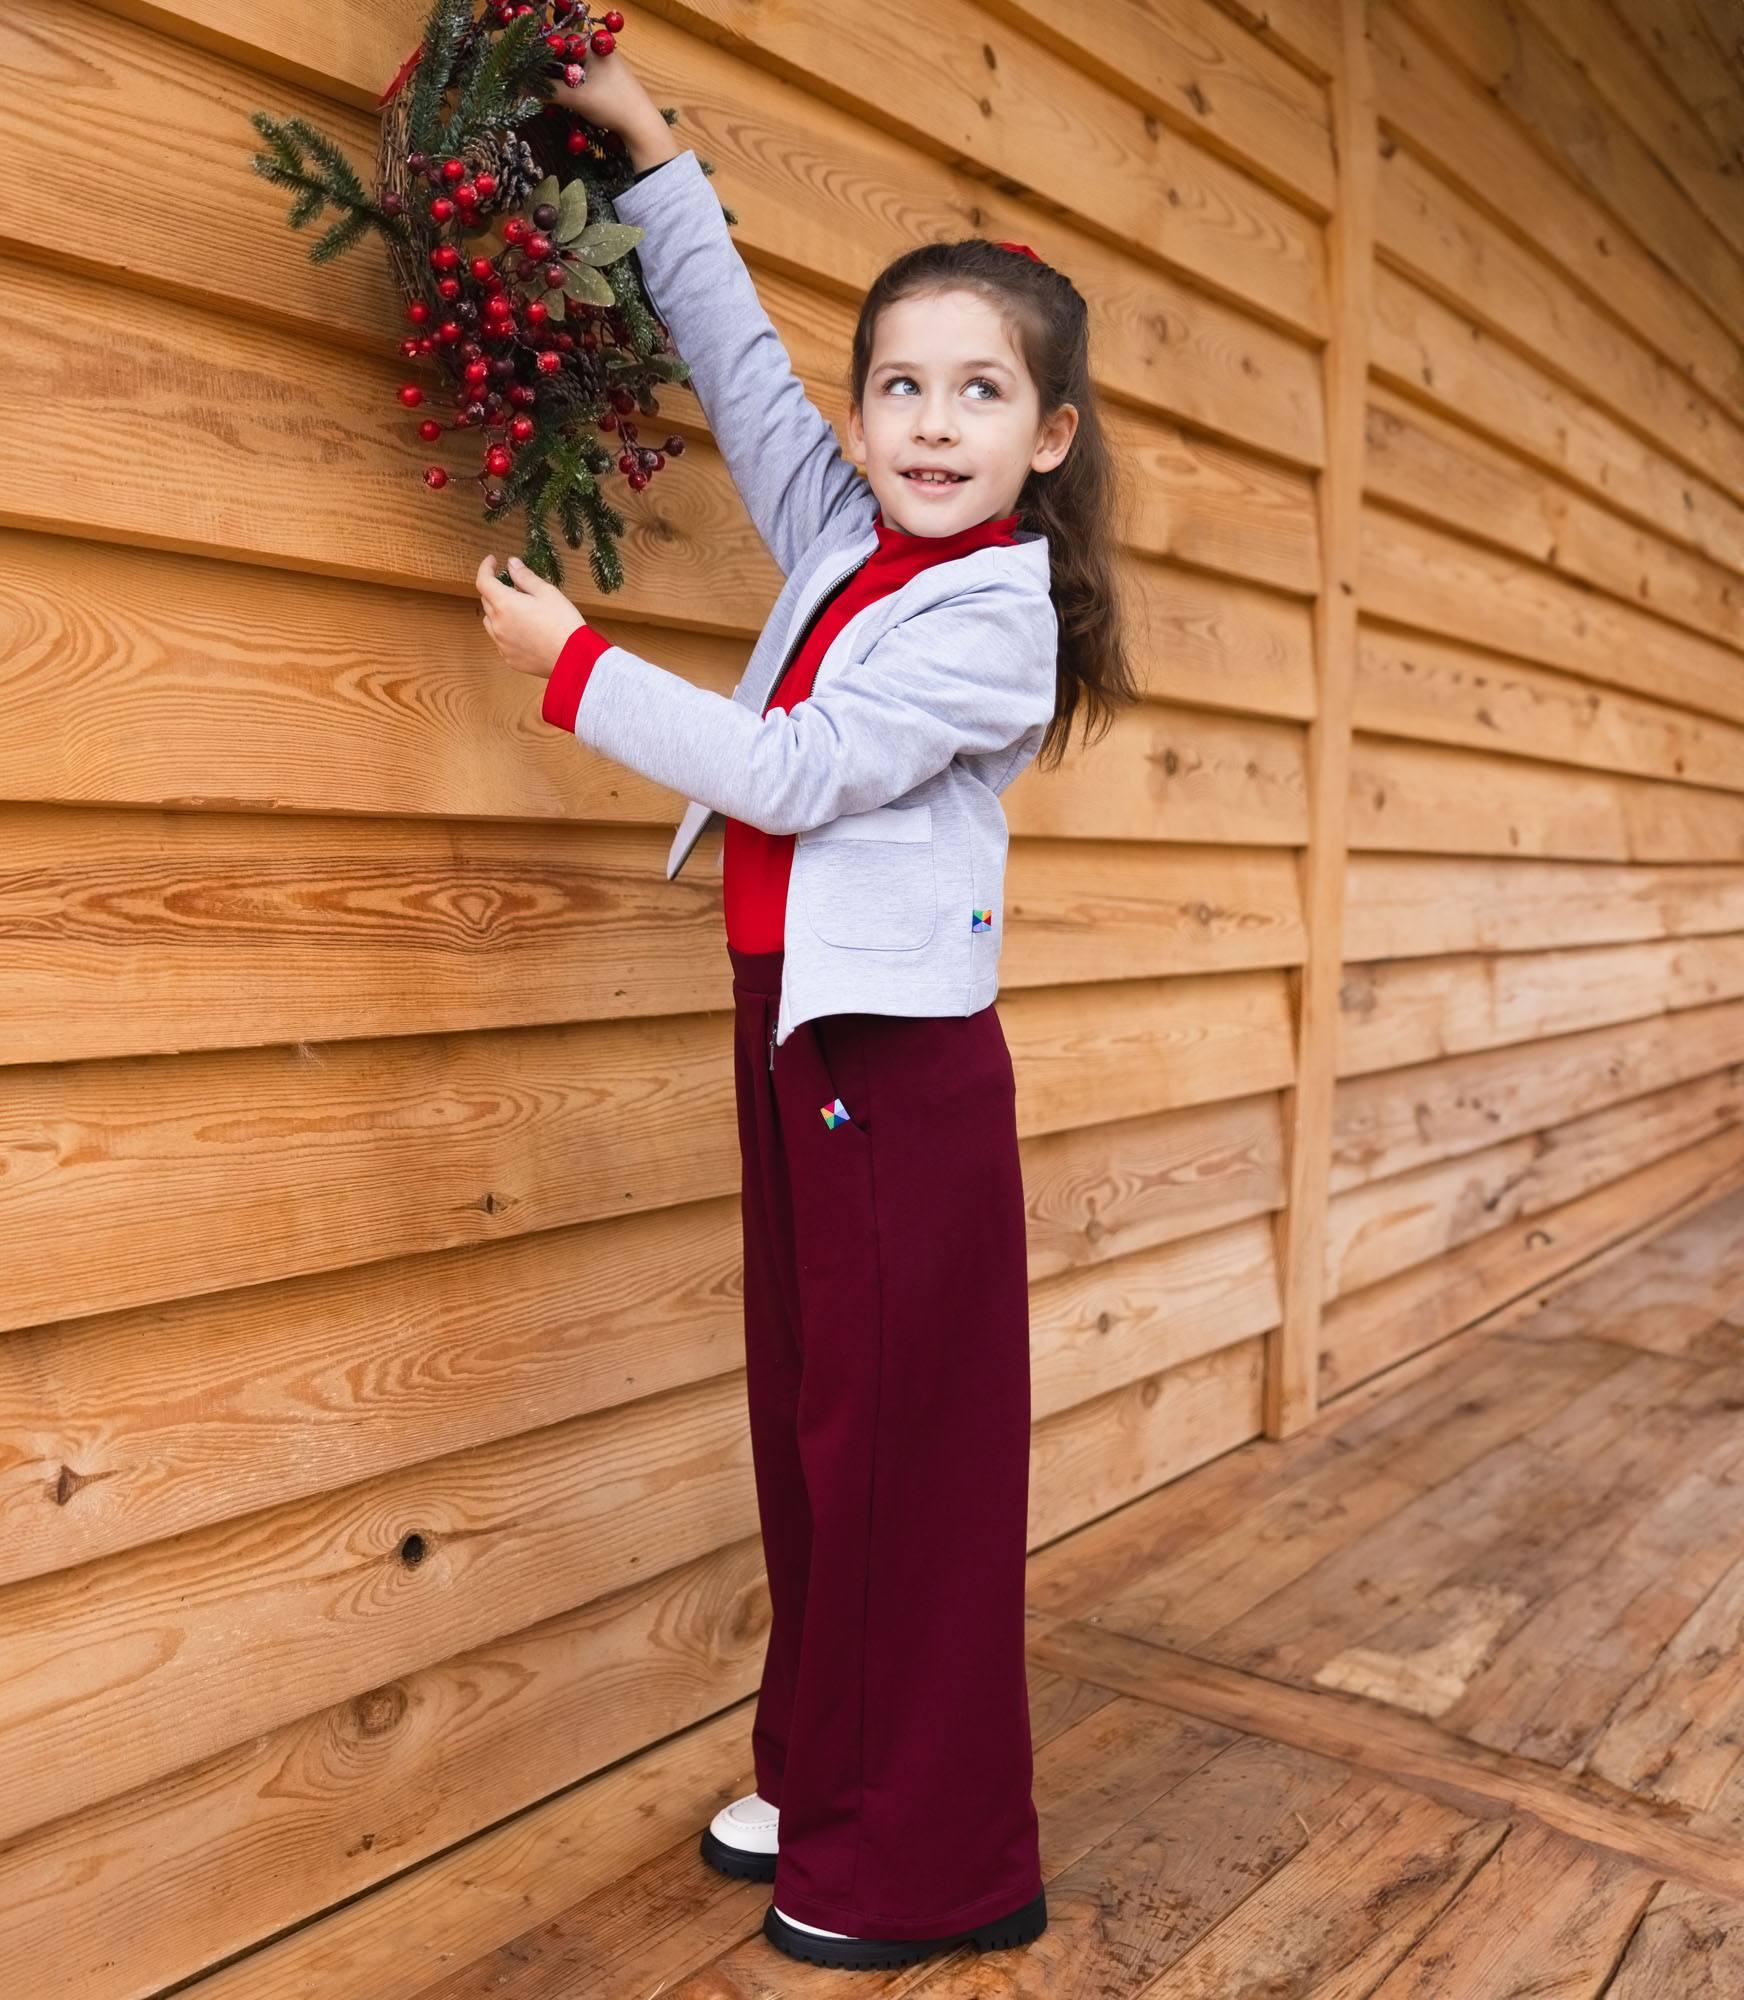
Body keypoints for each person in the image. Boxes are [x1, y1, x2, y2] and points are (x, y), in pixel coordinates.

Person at [475, 37, 1137, 1975]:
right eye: (902, 388)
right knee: (807, 1419)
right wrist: (656, 153)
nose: (929, 424)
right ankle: (821, 1759)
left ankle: (916, 1853)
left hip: (892, 1076)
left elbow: (787, 765)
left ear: (1051, 434)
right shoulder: (856, 533)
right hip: (795, 1037)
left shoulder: (986, 622)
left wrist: (576, 664)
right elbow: (749, 373)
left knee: (896, 1449)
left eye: (980, 392)